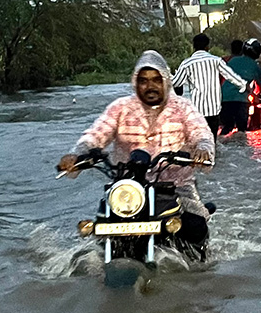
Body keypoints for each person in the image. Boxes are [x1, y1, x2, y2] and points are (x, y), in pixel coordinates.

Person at [58, 51, 215, 246]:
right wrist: (77, 155)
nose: (150, 86)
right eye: (144, 81)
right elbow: (96, 134)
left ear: (166, 81)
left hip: (175, 188)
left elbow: (201, 132)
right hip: (127, 189)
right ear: (135, 83)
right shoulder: (121, 108)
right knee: (100, 231)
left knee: (196, 228)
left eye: (156, 80)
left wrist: (202, 148)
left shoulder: (183, 108)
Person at [172, 32, 247, 135]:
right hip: (214, 112)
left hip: (197, 113)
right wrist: (242, 85)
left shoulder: (187, 64)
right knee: (212, 141)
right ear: (207, 47)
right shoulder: (216, 61)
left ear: (193, 46)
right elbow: (230, 75)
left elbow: (176, 82)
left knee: (200, 142)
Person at [219, 38, 261, 134]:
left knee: (227, 127)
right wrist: (257, 95)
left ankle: (219, 144)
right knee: (241, 130)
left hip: (224, 98)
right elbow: (259, 86)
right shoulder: (255, 66)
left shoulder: (232, 61)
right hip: (240, 101)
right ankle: (241, 147)